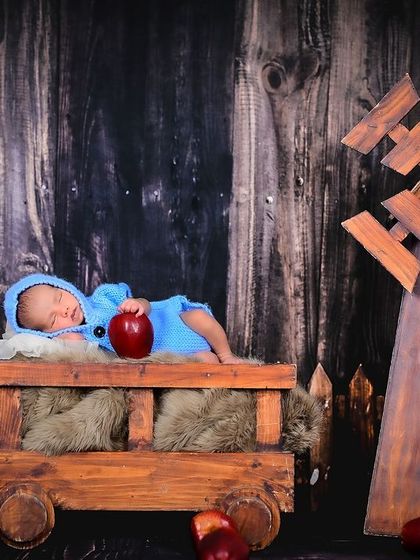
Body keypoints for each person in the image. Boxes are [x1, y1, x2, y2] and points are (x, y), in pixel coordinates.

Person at [3, 273, 244, 364]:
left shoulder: (105, 296)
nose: (64, 310)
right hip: (165, 355)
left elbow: (148, 305)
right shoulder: (75, 339)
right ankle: (216, 360)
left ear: (64, 286)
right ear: (46, 334)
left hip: (168, 324)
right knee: (206, 363)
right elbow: (85, 360)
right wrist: (71, 342)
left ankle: (227, 355)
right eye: (53, 320)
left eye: (59, 298)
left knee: (199, 317)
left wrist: (137, 305)